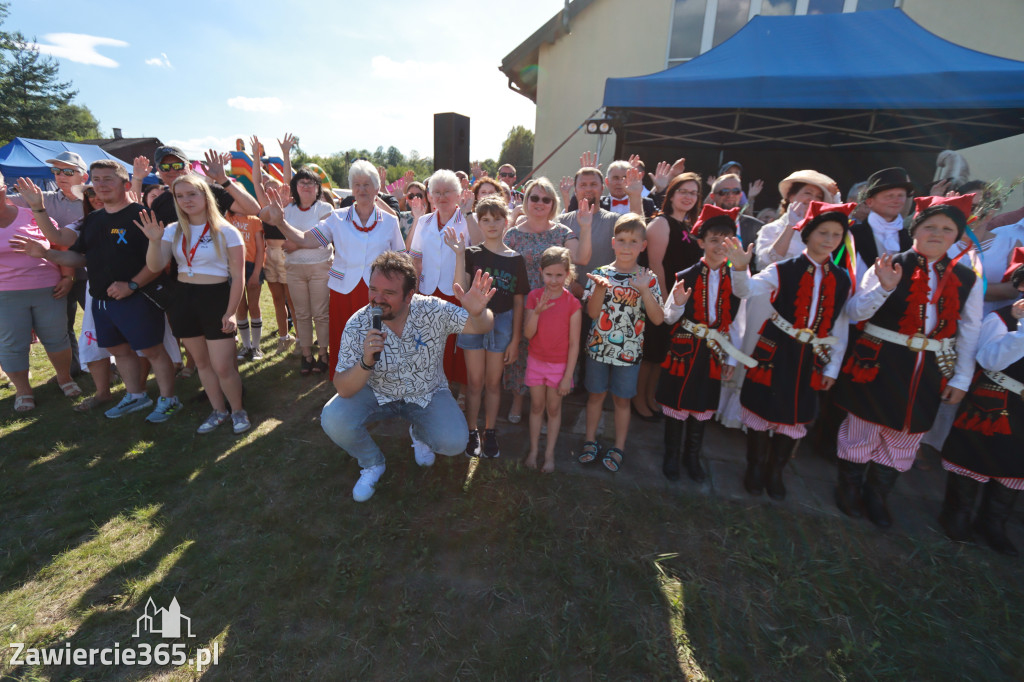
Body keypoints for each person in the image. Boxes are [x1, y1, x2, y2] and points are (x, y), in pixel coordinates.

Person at [833, 195, 983, 529]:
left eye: (947, 228)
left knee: (906, 433)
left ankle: (878, 495)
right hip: (880, 362)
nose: (937, 233)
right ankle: (849, 487)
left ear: (957, 235)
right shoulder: (891, 263)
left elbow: (970, 329)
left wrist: (961, 378)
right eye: (930, 226)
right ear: (915, 230)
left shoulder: (967, 277)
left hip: (928, 371)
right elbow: (855, 312)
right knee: (863, 428)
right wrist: (883, 289)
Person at [10, 160, 180, 422]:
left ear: (125, 184)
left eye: (108, 179)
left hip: (139, 296)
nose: (101, 185)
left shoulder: (142, 215)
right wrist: (46, 252)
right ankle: (136, 396)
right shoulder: (94, 219)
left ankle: (170, 400)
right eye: (97, 180)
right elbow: (80, 257)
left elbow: (158, 262)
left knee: (153, 350)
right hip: (102, 300)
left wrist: (132, 284)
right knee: (119, 351)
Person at [320, 251, 496, 502]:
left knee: (455, 442)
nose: (377, 299)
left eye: (389, 293)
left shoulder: (432, 310)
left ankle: (420, 433)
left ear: (410, 295)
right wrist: (365, 362)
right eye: (373, 289)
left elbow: (482, 326)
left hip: (426, 393)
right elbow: (343, 388)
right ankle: (372, 463)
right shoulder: (358, 324)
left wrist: (479, 313)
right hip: (377, 393)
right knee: (333, 417)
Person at [729, 202, 854, 500]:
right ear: (807, 234)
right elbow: (745, 291)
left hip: (810, 356)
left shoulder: (842, 278)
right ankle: (755, 467)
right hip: (776, 349)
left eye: (837, 234)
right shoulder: (782, 269)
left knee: (797, 414)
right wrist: (740, 268)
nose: (829, 239)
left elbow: (840, 325)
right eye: (823, 232)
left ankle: (776, 470)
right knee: (761, 407)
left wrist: (833, 369)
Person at [264, 159, 405, 380]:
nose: (361, 189)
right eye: (356, 184)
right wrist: (281, 222)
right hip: (344, 290)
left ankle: (377, 382)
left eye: (367, 184)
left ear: (377, 189)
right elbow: (305, 239)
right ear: (351, 189)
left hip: (377, 293)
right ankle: (346, 383)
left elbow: (400, 258)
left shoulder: (389, 220)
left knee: (376, 338)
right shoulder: (338, 218)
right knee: (346, 337)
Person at [135, 175, 250, 434]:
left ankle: (238, 411)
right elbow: (154, 266)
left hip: (216, 298)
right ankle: (218, 411)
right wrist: (154, 241)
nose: (186, 200)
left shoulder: (227, 231)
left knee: (223, 365)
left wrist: (231, 312)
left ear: (205, 196)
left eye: (192, 194)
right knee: (202, 364)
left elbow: (238, 276)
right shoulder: (173, 230)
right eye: (180, 196)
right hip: (183, 299)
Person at [657, 205, 753, 483]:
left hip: (713, 352)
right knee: (677, 403)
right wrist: (677, 304)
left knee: (702, 405)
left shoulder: (737, 280)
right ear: (701, 243)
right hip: (683, 349)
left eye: (726, 240)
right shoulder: (685, 275)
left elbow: (738, 323)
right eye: (713, 240)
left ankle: (692, 456)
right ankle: (671, 456)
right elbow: (668, 317)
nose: (720, 246)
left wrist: (732, 360)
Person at [938, 260, 1024, 556]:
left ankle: (993, 523)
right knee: (974, 456)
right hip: (994, 402)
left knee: (1014, 466)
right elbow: (989, 361)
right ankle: (956, 514)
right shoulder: (1001, 320)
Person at [578, 213, 665, 473]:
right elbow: (592, 314)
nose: (627, 247)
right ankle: (590, 441)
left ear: (643, 246)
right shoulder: (599, 274)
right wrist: (602, 290)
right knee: (595, 397)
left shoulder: (648, 278)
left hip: (629, 355)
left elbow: (658, 319)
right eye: (622, 240)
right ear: (613, 242)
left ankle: (619, 446)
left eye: (633, 241)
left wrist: (644, 290)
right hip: (597, 350)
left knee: (622, 401)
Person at [501, 177, 592, 422]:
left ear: (553, 204)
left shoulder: (562, 232)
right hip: (522, 303)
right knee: (521, 351)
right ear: (526, 200)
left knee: (550, 351)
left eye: (546, 199)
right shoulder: (512, 235)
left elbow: (582, 259)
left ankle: (547, 407)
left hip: (555, 304)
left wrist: (586, 227)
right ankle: (519, 401)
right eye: (534, 197)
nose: (540, 203)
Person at [444, 197, 529, 459]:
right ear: (478, 223)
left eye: (497, 219)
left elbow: (518, 303)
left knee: (494, 383)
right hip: (472, 320)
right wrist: (459, 255)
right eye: (485, 219)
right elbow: (459, 289)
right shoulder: (471, 254)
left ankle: (490, 431)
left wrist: (515, 340)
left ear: (507, 221)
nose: (492, 224)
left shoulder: (516, 259)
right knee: (475, 382)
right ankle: (472, 431)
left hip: (502, 323)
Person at [0, 173, 79, 412]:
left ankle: (65, 378)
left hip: (49, 288)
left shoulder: (31, 216)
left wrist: (67, 276)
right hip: (6, 295)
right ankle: (23, 390)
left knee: (57, 337)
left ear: (3, 189)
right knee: (12, 344)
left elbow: (58, 245)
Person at [8, 151, 90, 375]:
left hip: (89, 274)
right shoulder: (42, 198)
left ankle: (107, 366)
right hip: (58, 274)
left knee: (97, 323)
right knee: (62, 326)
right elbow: (4, 200)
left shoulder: (94, 200)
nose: (60, 175)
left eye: (68, 171)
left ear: (83, 176)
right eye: (56, 171)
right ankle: (72, 369)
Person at [633, 172, 704, 421]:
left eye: (693, 193)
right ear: (672, 194)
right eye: (683, 191)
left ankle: (650, 397)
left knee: (661, 354)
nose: (688, 197)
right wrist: (665, 302)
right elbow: (656, 265)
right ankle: (638, 400)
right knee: (649, 354)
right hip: (658, 300)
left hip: (677, 304)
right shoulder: (662, 223)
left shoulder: (689, 227)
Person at [523, 246, 582, 472]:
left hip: (559, 367)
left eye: (559, 275)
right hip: (536, 362)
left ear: (568, 274)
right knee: (537, 406)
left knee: (554, 409)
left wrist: (568, 376)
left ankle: (549, 455)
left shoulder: (572, 303)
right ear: (541, 272)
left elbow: (575, 344)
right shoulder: (533, 297)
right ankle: (534, 451)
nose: (554, 280)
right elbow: (528, 334)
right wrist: (537, 312)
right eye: (549, 274)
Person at [279, 167, 334, 374]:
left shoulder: (324, 207)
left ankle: (322, 353)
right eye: (301, 182)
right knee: (301, 313)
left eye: (311, 182)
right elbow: (274, 221)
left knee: (320, 313)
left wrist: (296, 244)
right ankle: (306, 354)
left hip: (320, 267)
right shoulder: (288, 209)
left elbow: (324, 236)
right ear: (295, 187)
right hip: (294, 269)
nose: (306, 186)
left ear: (318, 187)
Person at [226, 206, 265, 361]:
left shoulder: (254, 220)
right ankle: (246, 345)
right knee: (240, 307)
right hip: (233, 266)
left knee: (254, 306)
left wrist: (256, 272)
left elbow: (261, 249)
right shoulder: (228, 219)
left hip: (252, 265)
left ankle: (256, 347)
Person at [708, 173, 763, 260]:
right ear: (712, 196)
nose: (730, 195)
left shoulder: (756, 227)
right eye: (724, 192)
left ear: (740, 195)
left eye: (736, 191)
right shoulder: (702, 225)